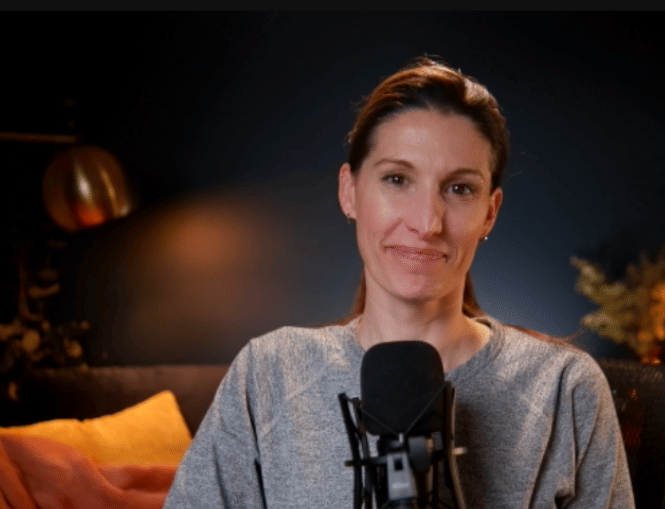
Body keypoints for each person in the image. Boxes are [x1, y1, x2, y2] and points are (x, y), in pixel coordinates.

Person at [164, 57, 634, 508]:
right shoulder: (267, 375)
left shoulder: (565, 390)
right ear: (350, 191)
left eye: (459, 189)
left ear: (490, 211)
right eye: (396, 179)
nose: (427, 222)